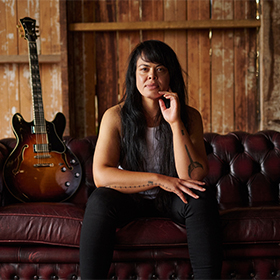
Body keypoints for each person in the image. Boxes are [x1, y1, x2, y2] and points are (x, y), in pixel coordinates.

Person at [80, 40, 222, 279]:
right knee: (99, 199)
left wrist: (175, 123)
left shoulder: (190, 117)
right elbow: (101, 175)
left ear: (170, 76)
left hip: (172, 197)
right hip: (130, 198)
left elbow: (193, 175)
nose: (151, 76)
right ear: (133, 76)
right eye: (144, 69)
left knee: (201, 197)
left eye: (160, 69)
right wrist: (159, 179)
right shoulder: (115, 116)